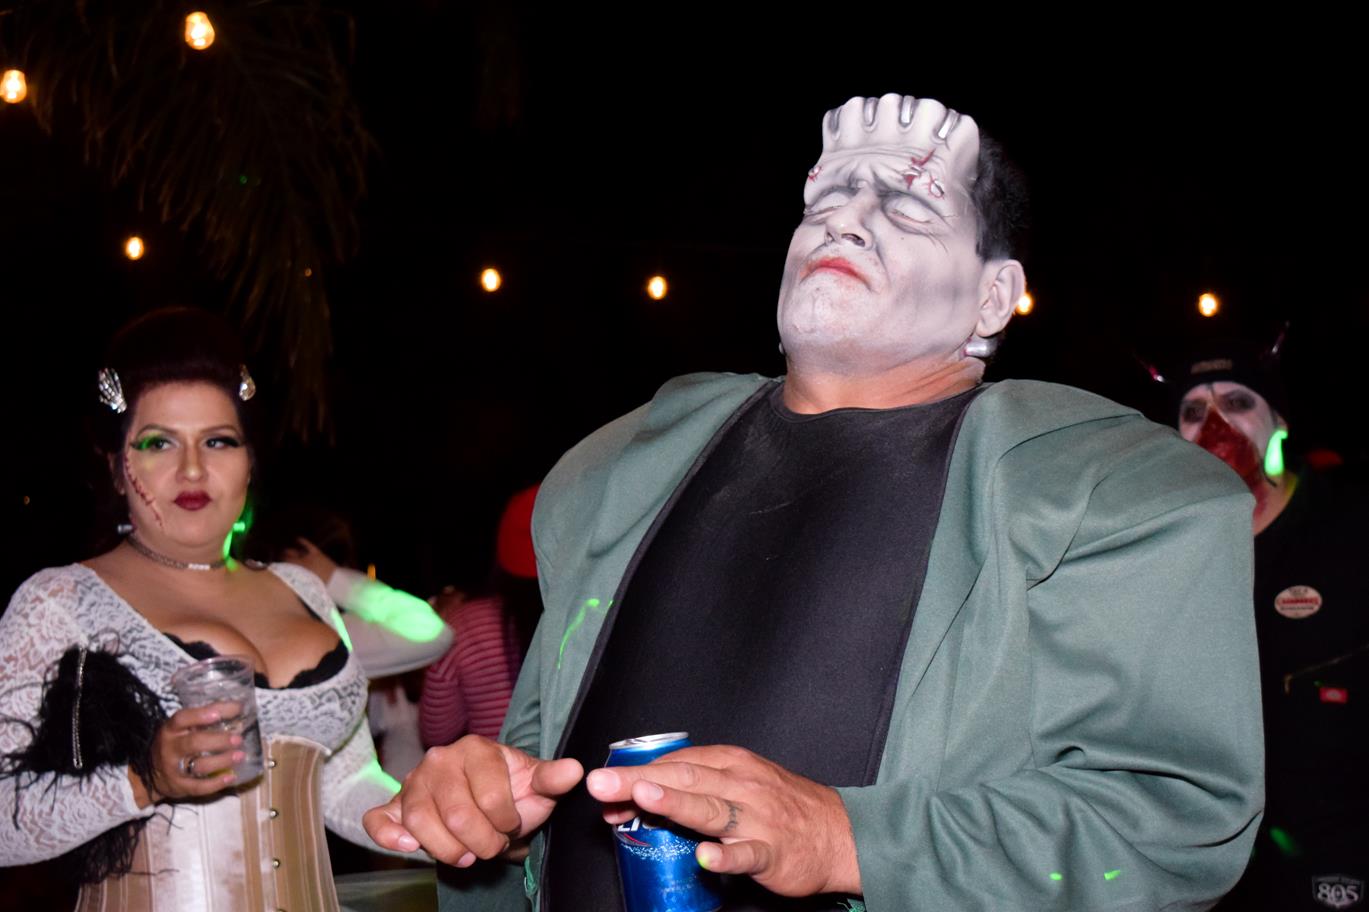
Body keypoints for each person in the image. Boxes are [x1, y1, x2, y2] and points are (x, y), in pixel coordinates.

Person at [366, 94, 1264, 910]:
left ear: (994, 296)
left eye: (907, 205)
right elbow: (536, 771)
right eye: (825, 197)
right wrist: (489, 807)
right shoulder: (619, 474)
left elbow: (1165, 829)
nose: (844, 218)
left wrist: (849, 841)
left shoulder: (1100, 493)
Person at [0, 308, 404, 910]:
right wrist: (144, 780)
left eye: (218, 441)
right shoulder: (58, 601)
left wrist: (443, 818)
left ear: (249, 462)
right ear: (115, 468)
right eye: (158, 442)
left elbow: (344, 787)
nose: (192, 468)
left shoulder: (303, 589)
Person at [1175, 340, 1369, 911]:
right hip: (1211, 861)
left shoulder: (1350, 527)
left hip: (1336, 851)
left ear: (1279, 421)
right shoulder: (1167, 553)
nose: (1215, 425)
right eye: (1193, 412)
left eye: (1238, 403)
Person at [420, 485, 543, 747]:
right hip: (590, 768)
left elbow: (435, 732)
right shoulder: (595, 613)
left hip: (500, 770)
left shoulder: (464, 626)